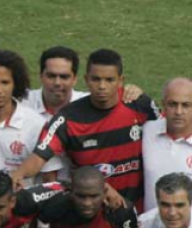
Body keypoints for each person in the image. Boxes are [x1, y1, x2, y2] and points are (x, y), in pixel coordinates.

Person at [14, 49, 160, 209]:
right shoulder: (68, 118)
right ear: (86, 80)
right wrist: (17, 174)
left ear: (120, 80)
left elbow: (166, 133)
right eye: (96, 79)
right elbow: (39, 155)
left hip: (138, 211)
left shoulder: (140, 104)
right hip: (91, 213)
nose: (102, 86)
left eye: (109, 80)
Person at [0, 49, 61, 183]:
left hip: (20, 200)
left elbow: (49, 176)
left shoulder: (37, 124)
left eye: (5, 83)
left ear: (15, 84)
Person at [142, 78, 192, 211]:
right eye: (172, 104)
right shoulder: (147, 131)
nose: (179, 112)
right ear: (163, 104)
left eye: (186, 105)